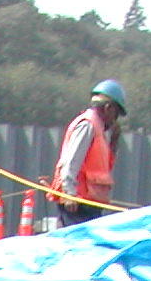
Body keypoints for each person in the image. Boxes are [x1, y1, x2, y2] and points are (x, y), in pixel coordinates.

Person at [50, 79, 126, 227]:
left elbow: (101, 167)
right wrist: (69, 194)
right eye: (116, 113)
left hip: (90, 204)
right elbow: (71, 161)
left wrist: (113, 142)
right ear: (108, 108)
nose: (115, 119)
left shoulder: (101, 130)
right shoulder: (87, 125)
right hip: (77, 204)